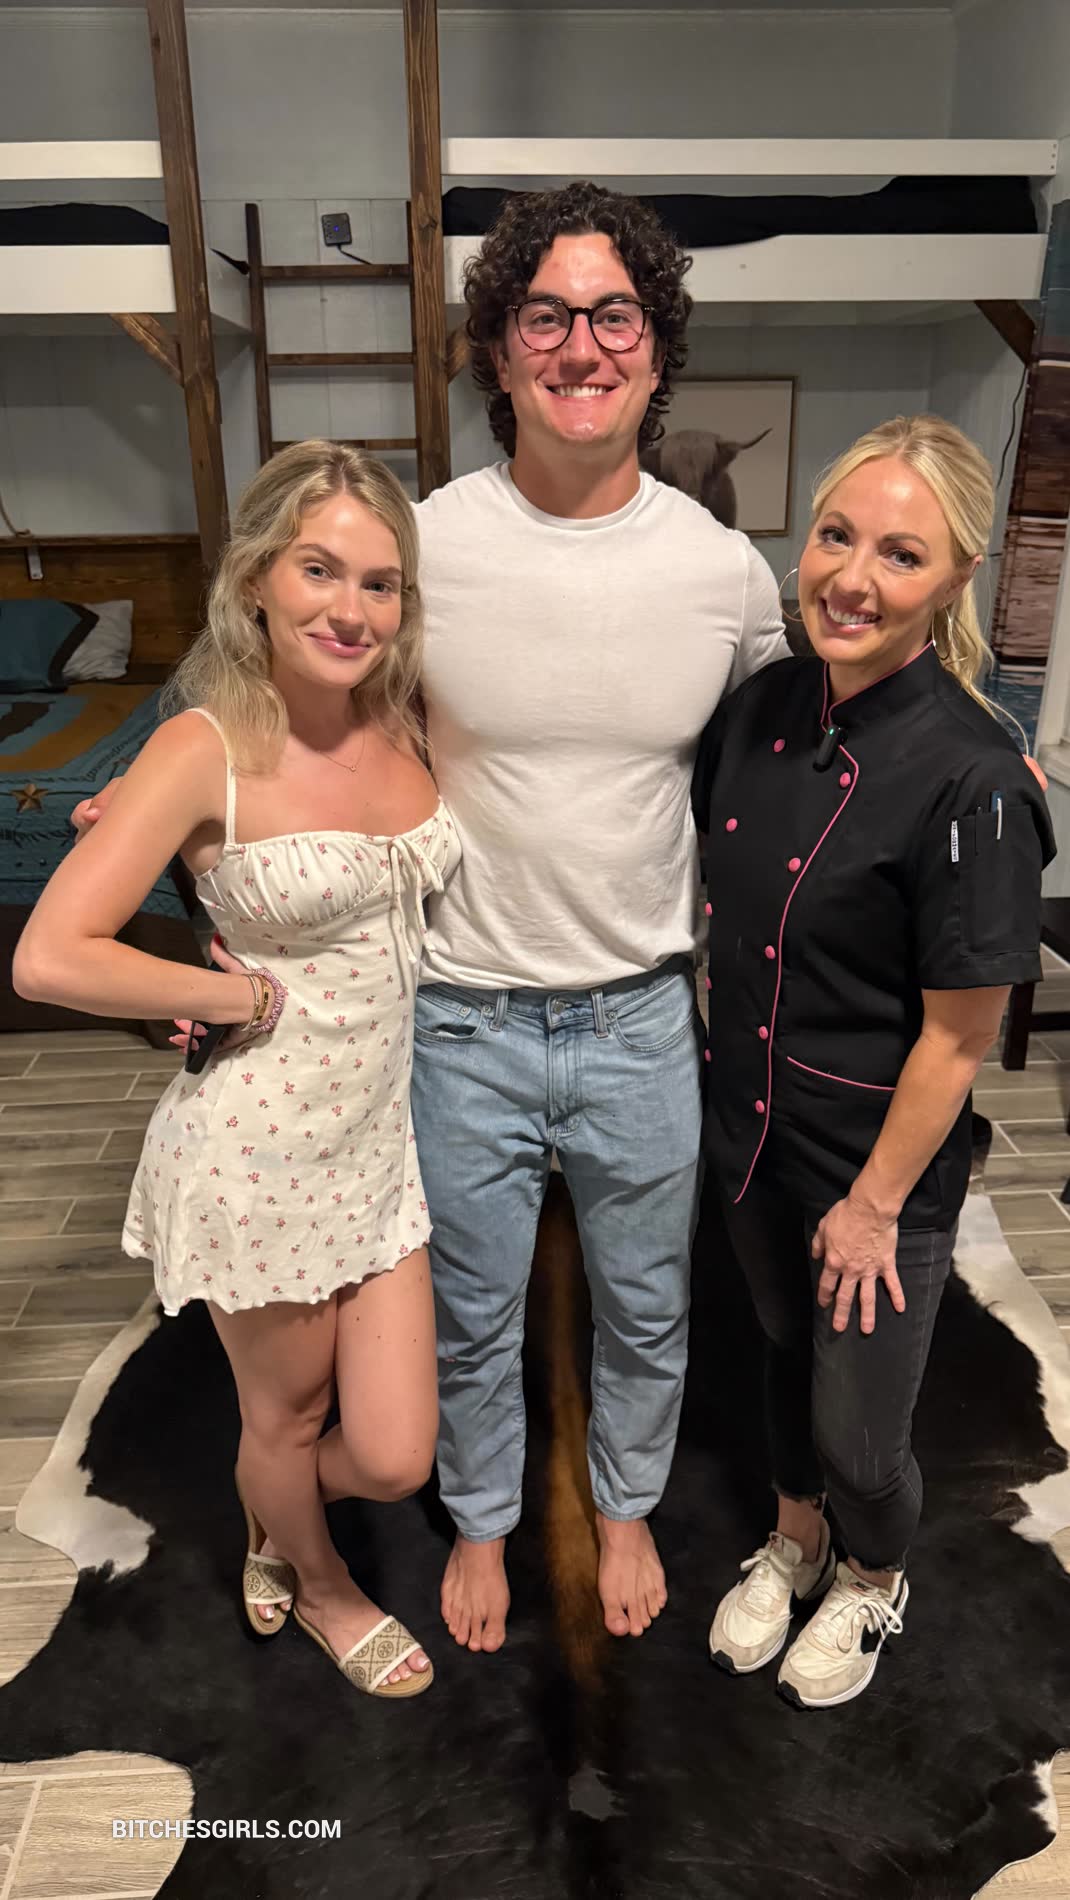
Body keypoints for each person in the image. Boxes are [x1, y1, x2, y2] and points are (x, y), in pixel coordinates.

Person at [72, 182, 792, 1654]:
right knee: (468, 1310)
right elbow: (272, 693)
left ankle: (626, 1504)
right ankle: (479, 1520)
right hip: (456, 1019)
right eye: (546, 314)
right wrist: (150, 824)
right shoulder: (423, 544)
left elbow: (796, 748)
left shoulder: (721, 572)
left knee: (648, 1303)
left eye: (614, 316)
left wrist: (960, 756)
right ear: (498, 348)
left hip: (643, 1016)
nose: (580, 344)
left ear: (656, 349)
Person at [20, 441, 459, 1699]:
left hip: (377, 1142)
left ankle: (274, 1501)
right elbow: (50, 955)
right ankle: (317, 1580)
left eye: (378, 583)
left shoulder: (401, 717)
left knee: (395, 1453)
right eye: (318, 570)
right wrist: (230, 992)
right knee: (290, 1420)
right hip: (259, 1154)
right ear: (257, 577)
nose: (350, 609)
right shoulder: (201, 746)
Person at [692, 415, 1054, 1710]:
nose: (850, 578)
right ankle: (793, 1542)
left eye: (899, 555)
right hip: (748, 1129)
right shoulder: (755, 711)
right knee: (779, 1351)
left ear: (954, 579)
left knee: (859, 1427)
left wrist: (871, 1205)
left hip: (874, 1168)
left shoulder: (974, 779)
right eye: (834, 536)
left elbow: (958, 1035)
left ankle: (868, 1574)